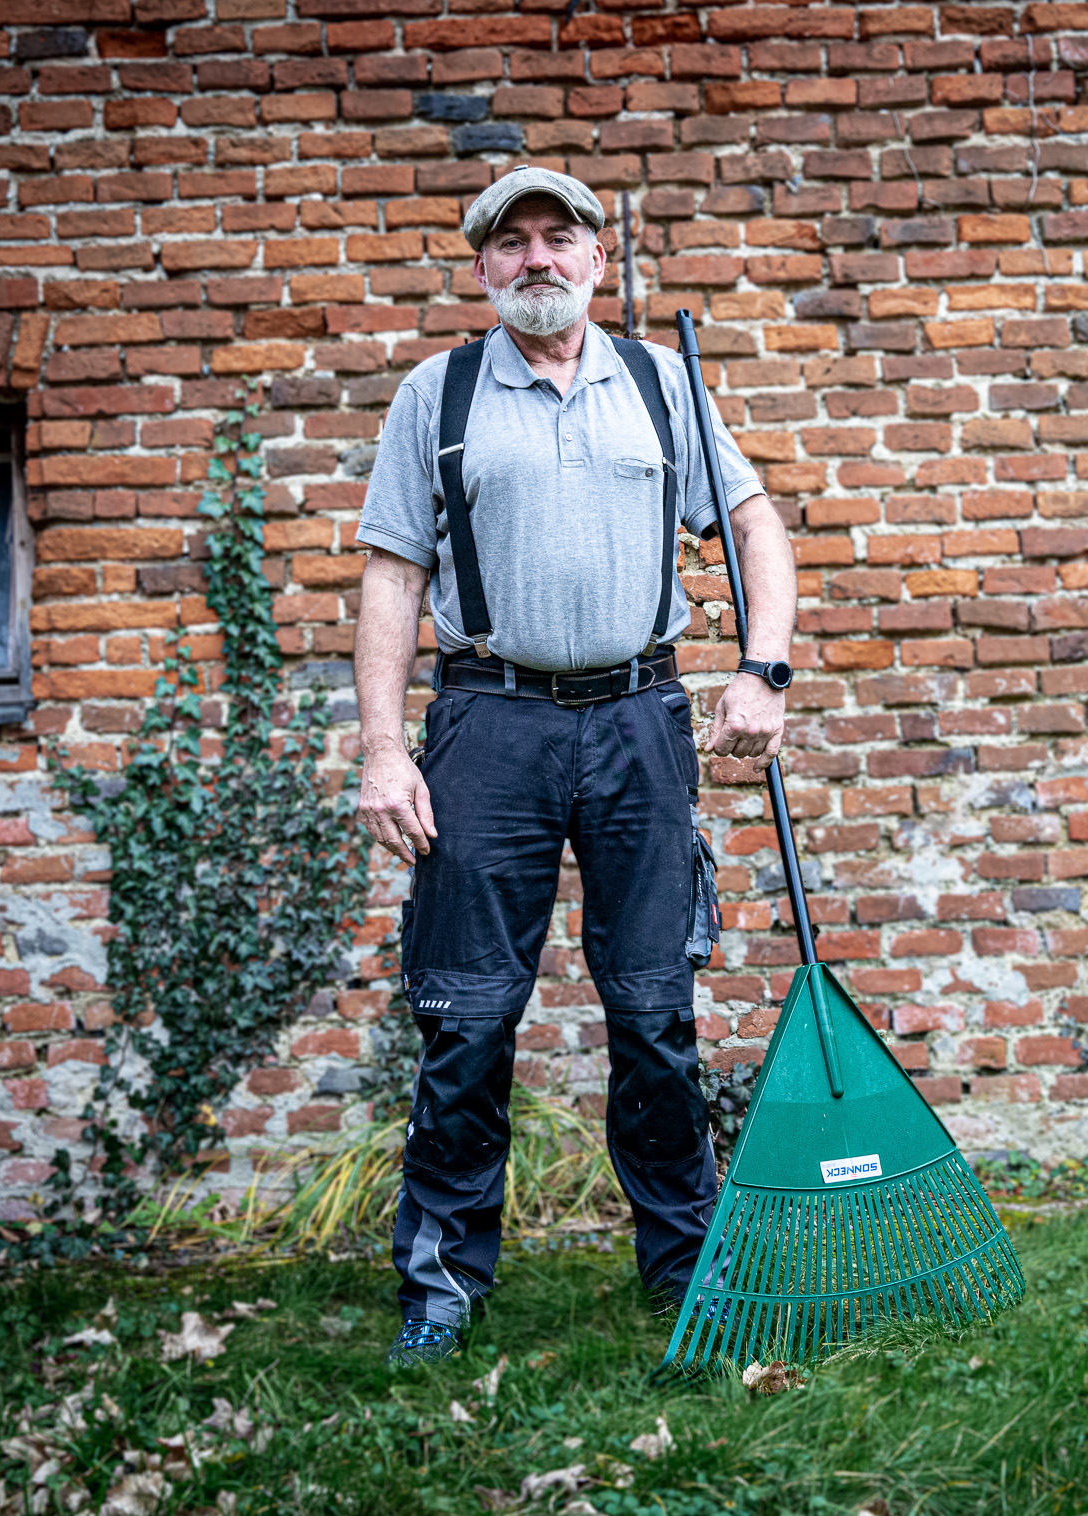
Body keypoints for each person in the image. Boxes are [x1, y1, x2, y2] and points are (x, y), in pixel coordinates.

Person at [351, 166, 799, 1368]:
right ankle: (440, 1286)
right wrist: (385, 748)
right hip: (487, 727)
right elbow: (393, 573)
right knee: (466, 1016)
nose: (537, 259)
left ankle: (685, 1269)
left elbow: (754, 523)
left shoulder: (663, 382)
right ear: (484, 266)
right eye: (513, 244)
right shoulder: (435, 394)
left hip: (640, 721)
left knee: (655, 1009)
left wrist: (763, 668)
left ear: (596, 259)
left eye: (560, 239)